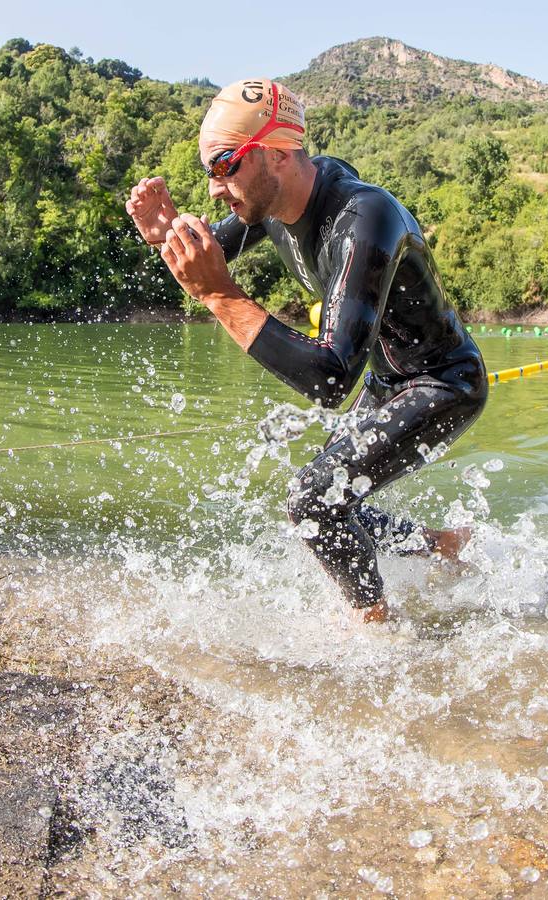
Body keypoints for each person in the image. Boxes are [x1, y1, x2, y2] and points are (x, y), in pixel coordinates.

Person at [125, 78, 488, 623]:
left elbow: (330, 381)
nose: (213, 190)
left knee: (313, 500)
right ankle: (442, 545)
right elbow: (203, 262)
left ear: (274, 154)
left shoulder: (365, 217)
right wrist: (170, 234)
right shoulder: (270, 201)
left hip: (445, 383)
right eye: (208, 172)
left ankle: (378, 629)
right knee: (332, 498)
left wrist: (220, 295)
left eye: (224, 165)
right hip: (386, 381)